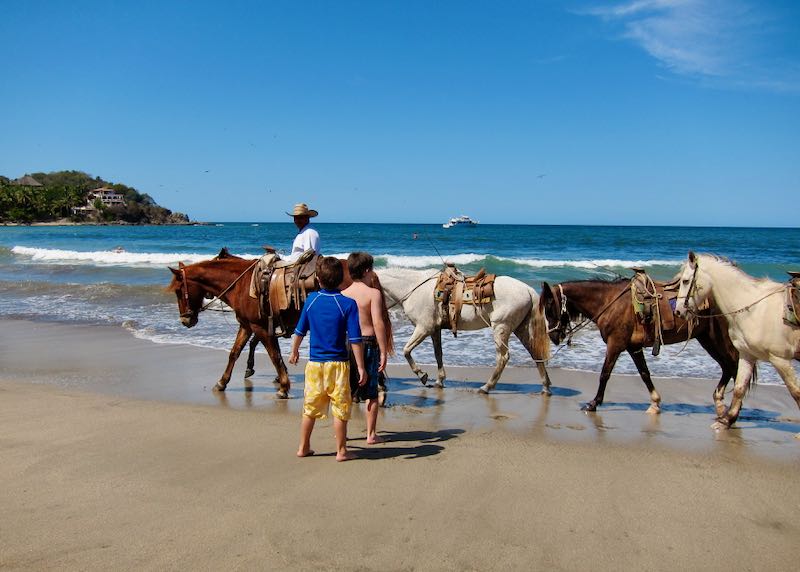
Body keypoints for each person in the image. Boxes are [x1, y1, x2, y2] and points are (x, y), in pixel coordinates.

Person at [289, 256, 366, 462]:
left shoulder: (311, 300)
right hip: (338, 365)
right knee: (340, 408)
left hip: (314, 364)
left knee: (310, 407)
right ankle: (341, 451)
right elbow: (356, 339)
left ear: (318, 279)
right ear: (341, 279)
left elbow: (299, 331)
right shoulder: (348, 304)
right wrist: (361, 367)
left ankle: (303, 447)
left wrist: (294, 351)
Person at [342, 252, 389, 445]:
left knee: (345, 392)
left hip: (347, 345)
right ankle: (370, 434)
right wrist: (384, 351)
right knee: (371, 393)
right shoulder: (373, 294)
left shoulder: (343, 294)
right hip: (368, 344)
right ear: (367, 271)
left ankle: (342, 434)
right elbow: (378, 324)